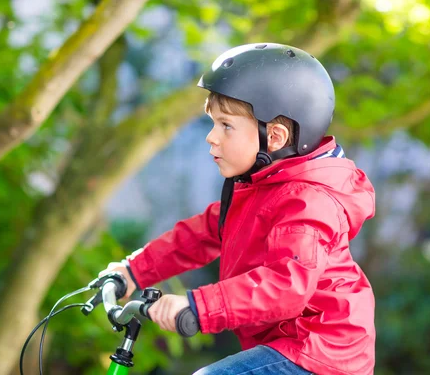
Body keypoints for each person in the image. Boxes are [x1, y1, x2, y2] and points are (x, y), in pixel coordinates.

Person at [100, 43, 376, 375]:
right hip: (289, 346)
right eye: (212, 124)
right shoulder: (260, 188)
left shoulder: (308, 201)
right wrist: (133, 271)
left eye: (226, 126)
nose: (211, 138)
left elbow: (285, 286)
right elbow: (200, 235)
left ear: (274, 136)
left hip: (319, 352)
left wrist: (197, 307)